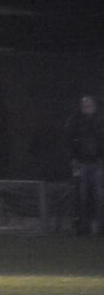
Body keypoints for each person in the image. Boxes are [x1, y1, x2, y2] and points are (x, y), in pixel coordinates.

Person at [65, 95, 104, 235]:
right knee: (82, 197)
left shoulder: (100, 120)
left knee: (100, 196)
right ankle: (82, 227)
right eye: (84, 104)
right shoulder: (75, 121)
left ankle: (101, 228)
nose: (86, 106)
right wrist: (73, 158)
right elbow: (69, 141)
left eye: (89, 103)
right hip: (81, 163)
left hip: (98, 163)